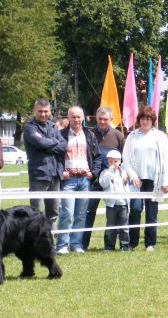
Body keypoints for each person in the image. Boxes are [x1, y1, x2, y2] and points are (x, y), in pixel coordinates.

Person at [122, 105, 168, 252]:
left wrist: (166, 181)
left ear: (153, 120)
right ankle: (133, 242)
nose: (145, 122)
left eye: (148, 119)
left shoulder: (160, 136)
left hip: (154, 180)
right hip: (137, 180)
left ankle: (150, 243)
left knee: (151, 212)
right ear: (139, 120)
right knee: (135, 210)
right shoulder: (132, 136)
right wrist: (132, 176)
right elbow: (126, 158)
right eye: (143, 119)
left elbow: (166, 159)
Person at [56, 106, 101, 255]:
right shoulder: (61, 135)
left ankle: (76, 244)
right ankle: (62, 245)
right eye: (73, 117)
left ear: (83, 118)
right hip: (68, 180)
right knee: (67, 213)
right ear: (68, 118)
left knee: (81, 214)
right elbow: (55, 157)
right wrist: (61, 171)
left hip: (84, 180)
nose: (76, 119)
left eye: (78, 117)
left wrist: (93, 173)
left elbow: (98, 157)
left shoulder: (90, 135)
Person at [82, 106, 125, 251]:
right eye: (100, 118)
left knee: (117, 215)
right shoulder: (88, 133)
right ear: (96, 118)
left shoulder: (118, 135)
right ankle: (83, 245)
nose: (102, 121)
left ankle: (119, 245)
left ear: (111, 119)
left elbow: (122, 159)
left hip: (113, 184)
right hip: (93, 181)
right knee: (88, 212)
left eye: (105, 119)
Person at [23, 99, 67, 222]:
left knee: (53, 213)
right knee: (35, 213)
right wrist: (55, 142)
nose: (43, 114)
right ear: (34, 111)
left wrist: (47, 144)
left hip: (55, 175)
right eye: (40, 111)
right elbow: (40, 142)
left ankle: (50, 239)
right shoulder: (29, 127)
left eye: (45, 111)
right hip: (39, 174)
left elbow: (64, 145)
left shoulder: (53, 126)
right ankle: (35, 240)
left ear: (50, 112)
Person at [99, 149, 130, 251]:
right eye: (111, 161)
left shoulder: (123, 173)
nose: (113, 164)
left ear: (120, 161)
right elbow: (103, 183)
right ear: (108, 161)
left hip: (123, 204)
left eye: (115, 161)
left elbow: (127, 187)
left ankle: (124, 246)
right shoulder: (105, 173)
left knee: (124, 227)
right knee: (110, 227)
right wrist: (110, 172)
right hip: (111, 205)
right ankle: (108, 246)